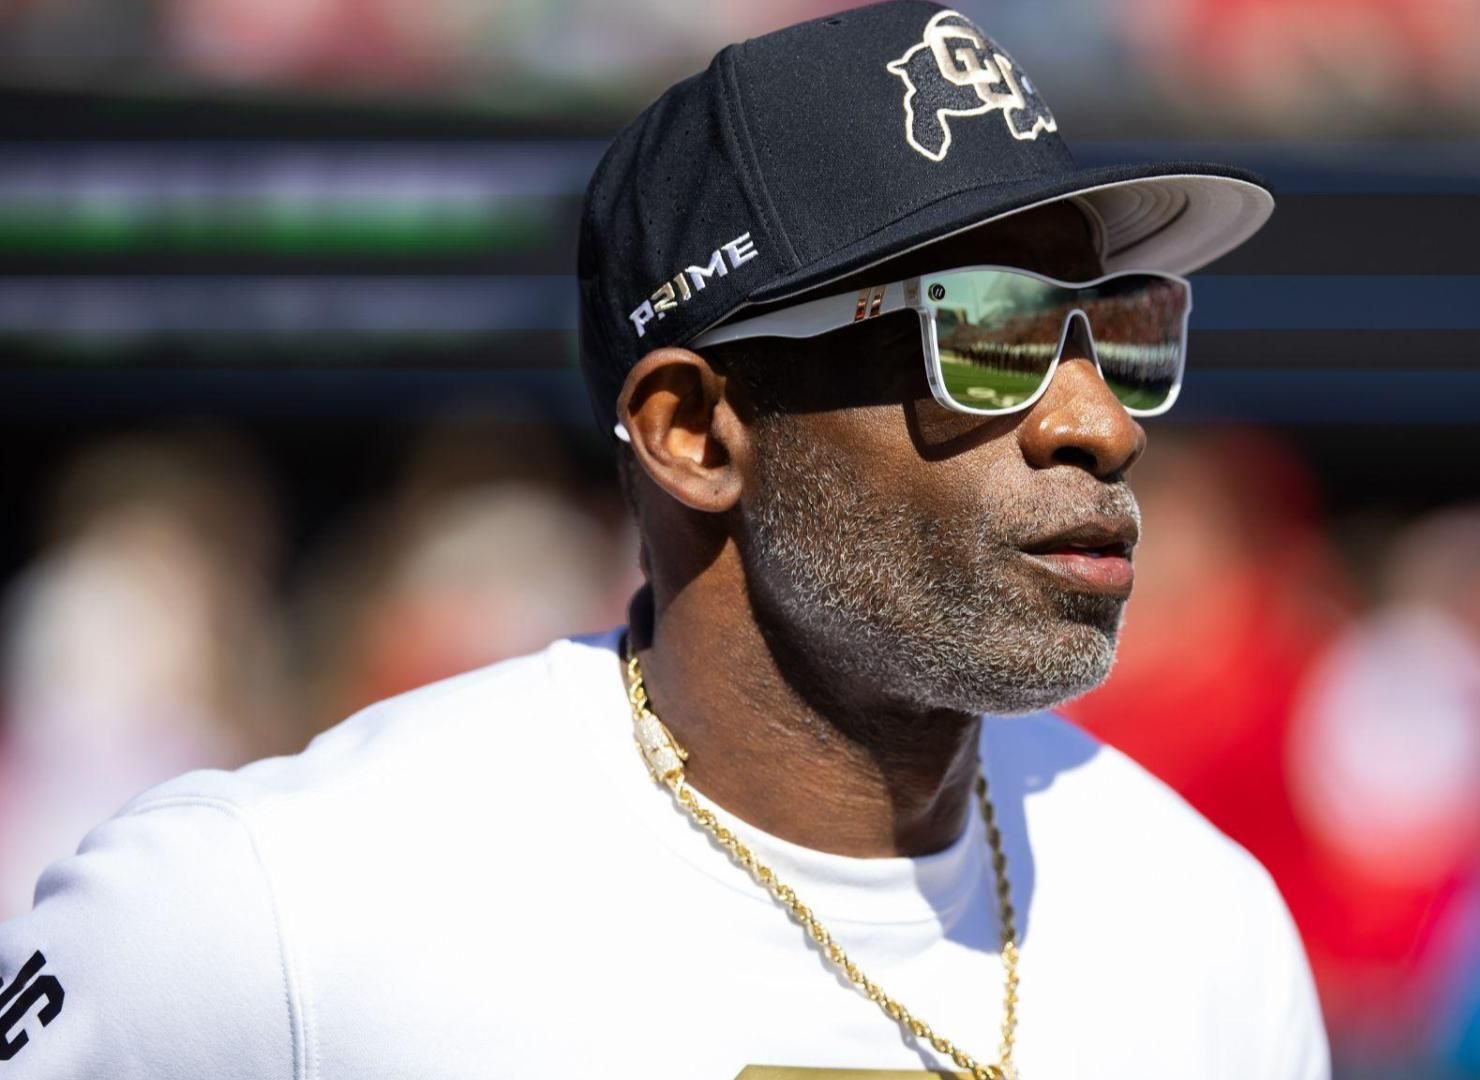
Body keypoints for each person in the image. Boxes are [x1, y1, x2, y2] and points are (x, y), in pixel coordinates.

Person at [0, 3, 1327, 1076]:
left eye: (1127, 326)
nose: (1102, 421)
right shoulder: (265, 914)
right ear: (694, 431)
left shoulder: (1206, 929)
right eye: (987, 334)